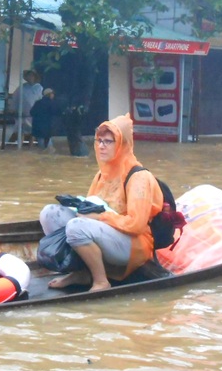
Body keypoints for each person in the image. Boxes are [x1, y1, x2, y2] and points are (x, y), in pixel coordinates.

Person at [42, 114, 163, 292]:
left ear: (122, 144)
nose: (101, 146)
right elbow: (90, 206)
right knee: (49, 213)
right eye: (99, 141)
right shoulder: (102, 174)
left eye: (108, 141)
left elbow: (136, 225)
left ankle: (101, 281)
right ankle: (82, 273)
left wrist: (100, 217)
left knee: (76, 227)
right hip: (107, 233)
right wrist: (79, 207)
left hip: (134, 244)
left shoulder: (139, 177)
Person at [8, 69, 43, 137]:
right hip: (22, 112)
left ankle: (32, 142)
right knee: (20, 129)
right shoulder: (22, 87)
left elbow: (41, 100)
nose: (30, 77)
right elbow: (15, 98)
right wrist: (12, 108)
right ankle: (18, 141)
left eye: (31, 76)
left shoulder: (39, 88)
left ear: (35, 77)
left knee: (33, 130)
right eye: (28, 76)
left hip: (34, 113)